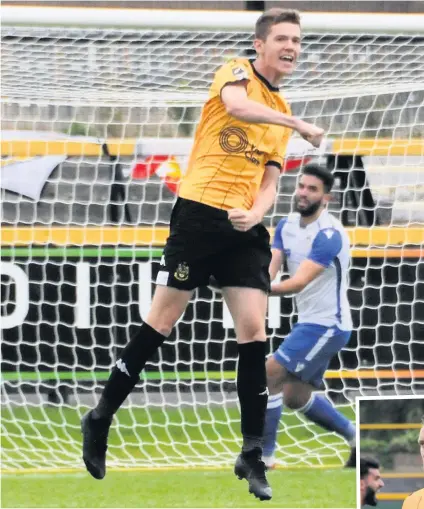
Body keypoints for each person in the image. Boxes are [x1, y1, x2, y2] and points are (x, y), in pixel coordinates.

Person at [80, 8, 324, 501]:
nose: (291, 46)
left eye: (296, 39)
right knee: (161, 322)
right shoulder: (236, 73)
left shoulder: (280, 110)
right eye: (281, 37)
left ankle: (252, 452)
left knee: (254, 331)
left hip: (243, 230)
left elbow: (271, 181)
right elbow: (237, 108)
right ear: (260, 44)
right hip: (198, 216)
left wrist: (256, 214)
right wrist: (294, 120)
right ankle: (101, 416)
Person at [261, 164, 356, 468]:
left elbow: (298, 283)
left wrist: (256, 289)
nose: (303, 193)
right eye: (301, 186)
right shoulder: (285, 225)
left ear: (326, 197)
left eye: (312, 189)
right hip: (311, 323)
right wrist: (251, 284)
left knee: (270, 372)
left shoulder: (330, 235)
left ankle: (264, 456)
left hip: (328, 325)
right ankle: (355, 436)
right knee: (295, 397)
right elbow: (269, 271)